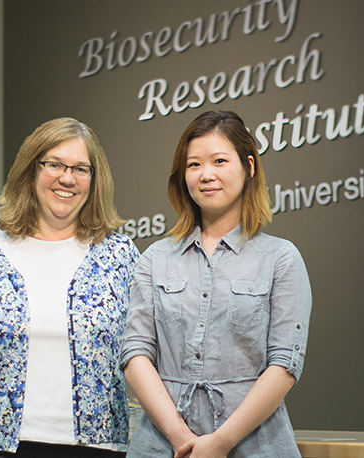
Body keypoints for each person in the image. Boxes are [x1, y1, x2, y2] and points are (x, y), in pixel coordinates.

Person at [0, 117, 139, 458]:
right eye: (55, 165)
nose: (67, 177)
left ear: (95, 180)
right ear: (31, 171)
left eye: (80, 168)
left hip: (100, 447)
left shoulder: (120, 256)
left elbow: (146, 355)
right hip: (1, 448)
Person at [120, 110, 311, 458]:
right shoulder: (155, 257)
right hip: (161, 445)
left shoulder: (280, 257)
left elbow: (284, 364)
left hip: (257, 445)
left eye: (219, 160)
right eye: (194, 165)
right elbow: (135, 353)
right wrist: (181, 438)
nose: (206, 174)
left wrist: (220, 443)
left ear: (249, 167)